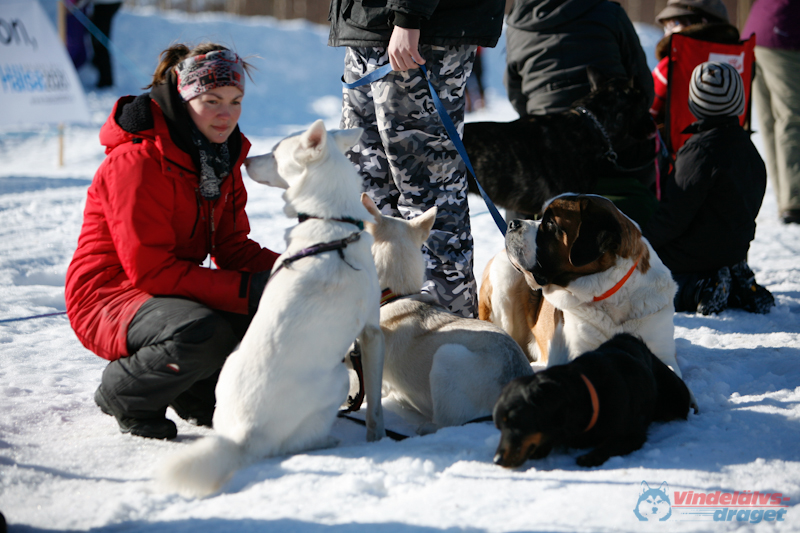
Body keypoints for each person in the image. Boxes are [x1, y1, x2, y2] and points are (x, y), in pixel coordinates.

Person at [65, 43, 279, 439]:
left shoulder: (220, 155)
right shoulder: (138, 160)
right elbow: (150, 270)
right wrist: (250, 288)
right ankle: (125, 391)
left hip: (170, 290)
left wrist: (297, 270)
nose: (226, 114)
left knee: (268, 311)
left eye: (235, 101)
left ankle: (195, 392)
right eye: (212, 100)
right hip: (107, 294)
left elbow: (233, 247)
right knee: (203, 331)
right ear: (184, 98)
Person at [328, 0, 507, 318]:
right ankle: (384, 331)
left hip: (420, 29)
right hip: (365, 26)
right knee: (368, 195)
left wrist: (409, 15)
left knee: (427, 196)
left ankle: (452, 341)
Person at [643, 62, 775, 316]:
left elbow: (674, 216)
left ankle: (699, 288)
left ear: (694, 103)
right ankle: (737, 283)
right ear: (739, 102)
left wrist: (642, 242)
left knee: (645, 282)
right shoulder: (749, 149)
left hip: (696, 252)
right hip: (735, 248)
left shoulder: (699, 151)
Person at [504, 0, 654, 118]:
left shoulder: (516, 30)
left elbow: (516, 94)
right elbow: (642, 83)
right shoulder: (609, 13)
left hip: (546, 133)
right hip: (612, 130)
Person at [742, 0, 800, 225]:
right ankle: (794, 200)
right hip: (784, 32)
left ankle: (786, 197)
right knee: (792, 117)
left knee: (770, 121)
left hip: (758, 30)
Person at [649, 0, 740, 129]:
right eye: (666, 27)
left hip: (678, 144)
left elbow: (648, 109)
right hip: (730, 141)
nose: (666, 33)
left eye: (673, 24)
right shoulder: (739, 59)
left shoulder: (673, 62)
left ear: (700, 23)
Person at [89, 0, 123, 88]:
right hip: (106, 4)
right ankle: (103, 74)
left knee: (101, 43)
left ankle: (106, 80)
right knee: (98, 40)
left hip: (105, 4)